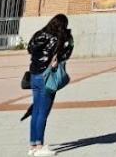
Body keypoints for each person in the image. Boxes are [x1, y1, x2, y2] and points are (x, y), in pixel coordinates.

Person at [25, 13, 73, 156]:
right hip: (47, 76)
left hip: (34, 75)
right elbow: (66, 54)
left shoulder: (39, 34)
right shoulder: (58, 39)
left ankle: (33, 145)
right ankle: (39, 146)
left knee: (36, 111)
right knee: (43, 113)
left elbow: (30, 49)